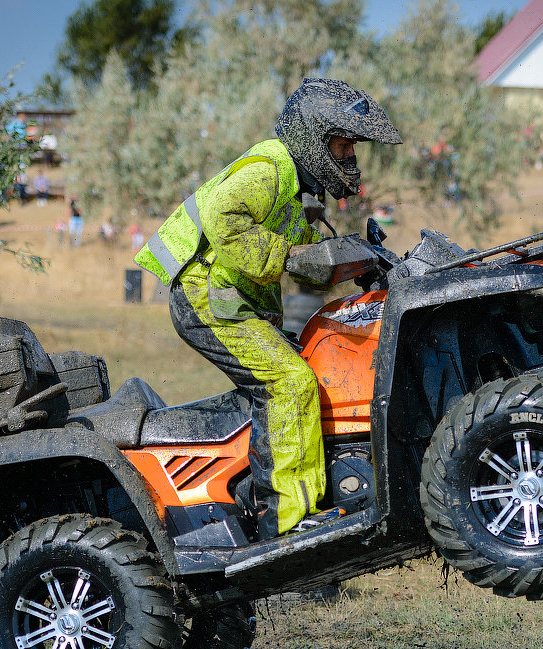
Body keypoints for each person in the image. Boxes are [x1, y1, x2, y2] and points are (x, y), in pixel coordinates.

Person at [134, 78, 401, 540]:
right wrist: (287, 257)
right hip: (207, 299)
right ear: (313, 139)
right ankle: (284, 528)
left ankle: (300, 507)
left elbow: (310, 259)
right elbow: (223, 218)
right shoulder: (269, 169)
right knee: (287, 383)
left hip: (235, 301)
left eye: (352, 149)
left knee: (310, 373)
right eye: (342, 147)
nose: (350, 160)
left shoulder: (300, 189)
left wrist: (362, 262)